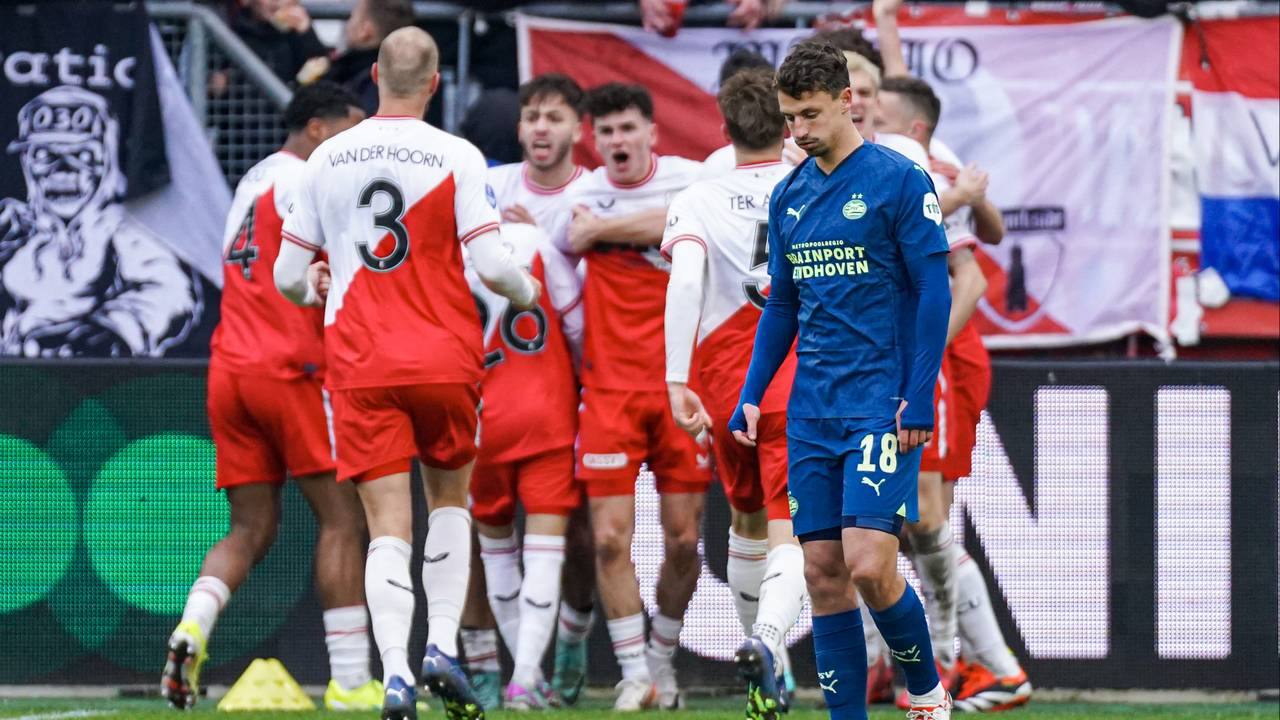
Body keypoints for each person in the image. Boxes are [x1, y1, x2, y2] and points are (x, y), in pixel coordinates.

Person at [274, 27, 540, 720]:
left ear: (375, 79)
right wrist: (526, 292)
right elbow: (491, 265)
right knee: (450, 502)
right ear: (434, 80)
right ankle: (441, 649)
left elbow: (286, 277)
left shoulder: (325, 157)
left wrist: (318, 286)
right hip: (444, 357)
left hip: (360, 361)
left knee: (386, 526)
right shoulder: (457, 154)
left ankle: (394, 674)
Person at [729, 42, 953, 720]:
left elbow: (933, 290)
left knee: (866, 563)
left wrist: (919, 393)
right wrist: (750, 392)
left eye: (810, 114)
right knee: (823, 575)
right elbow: (784, 306)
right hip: (811, 409)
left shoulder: (899, 180)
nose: (797, 131)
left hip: (883, 401)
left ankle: (926, 691)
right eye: (789, 117)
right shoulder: (790, 195)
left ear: (847, 102)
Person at [161, 82, 374, 712]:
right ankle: (350, 680)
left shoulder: (250, 183)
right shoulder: (313, 182)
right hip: (294, 365)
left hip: (230, 370)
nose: (358, 146)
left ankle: (191, 627)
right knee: (343, 519)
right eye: (350, 130)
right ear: (316, 128)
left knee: (251, 525)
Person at [876, 75, 1030, 714]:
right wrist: (965, 197)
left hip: (940, 366)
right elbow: (985, 229)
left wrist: (962, 196)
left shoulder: (914, 167)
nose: (856, 105)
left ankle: (968, 662)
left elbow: (971, 263)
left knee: (922, 515)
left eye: (867, 99)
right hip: (899, 364)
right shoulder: (900, 165)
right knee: (900, 520)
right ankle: (926, 662)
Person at [661, 67, 808, 718]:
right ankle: (771, 648)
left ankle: (759, 666)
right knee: (794, 531)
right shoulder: (815, 188)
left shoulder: (699, 194)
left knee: (746, 519)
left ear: (722, 130)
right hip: (800, 375)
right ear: (786, 125)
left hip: (724, 383)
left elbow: (685, 283)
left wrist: (675, 379)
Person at [559, 82, 707, 711]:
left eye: (628, 129)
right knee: (610, 541)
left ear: (652, 132)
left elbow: (676, 222)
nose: (618, 142)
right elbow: (570, 237)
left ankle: (661, 659)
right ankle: (632, 675)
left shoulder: (694, 180)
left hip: (681, 387)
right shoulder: (581, 191)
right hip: (609, 390)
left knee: (682, 543)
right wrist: (601, 231)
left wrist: (609, 232)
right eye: (607, 132)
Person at [463, 72, 599, 711]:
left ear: (578, 129)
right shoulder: (511, 211)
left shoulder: (591, 197)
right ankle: (518, 674)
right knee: (538, 545)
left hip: (492, 407)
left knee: (509, 546)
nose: (542, 129)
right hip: (546, 401)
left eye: (554, 117)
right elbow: (574, 323)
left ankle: (526, 668)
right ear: (518, 129)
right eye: (532, 117)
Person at [319, 0, 415, 114]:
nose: (348, 25)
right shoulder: (407, 77)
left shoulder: (356, 83)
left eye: (352, 17)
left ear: (364, 31)